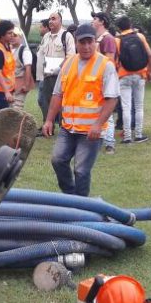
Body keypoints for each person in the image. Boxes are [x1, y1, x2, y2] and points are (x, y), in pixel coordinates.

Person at [42, 24, 119, 196]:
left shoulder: (105, 65)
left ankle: (82, 207)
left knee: (81, 171)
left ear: (95, 42)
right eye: (82, 42)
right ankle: (71, 197)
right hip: (68, 127)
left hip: (91, 131)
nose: (86, 46)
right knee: (57, 160)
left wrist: (98, 125)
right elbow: (57, 94)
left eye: (89, 42)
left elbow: (112, 99)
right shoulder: (68, 63)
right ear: (76, 43)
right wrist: (48, 120)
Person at [113, 15, 151, 143]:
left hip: (124, 76)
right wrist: (149, 72)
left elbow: (115, 61)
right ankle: (139, 135)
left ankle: (128, 136)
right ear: (130, 24)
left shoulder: (117, 41)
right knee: (139, 106)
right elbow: (150, 55)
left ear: (119, 28)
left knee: (126, 107)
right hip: (140, 74)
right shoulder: (140, 36)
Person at [36, 11, 76, 129]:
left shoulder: (66, 36)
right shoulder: (46, 36)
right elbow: (41, 54)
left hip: (61, 75)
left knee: (62, 102)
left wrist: (58, 69)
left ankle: (65, 127)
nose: (50, 21)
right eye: (49, 19)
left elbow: (71, 56)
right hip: (47, 75)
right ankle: (48, 126)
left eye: (54, 18)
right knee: (45, 101)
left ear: (60, 21)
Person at [91, 11, 119, 154]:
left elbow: (110, 61)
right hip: (96, 80)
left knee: (107, 110)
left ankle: (109, 143)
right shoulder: (99, 38)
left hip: (105, 80)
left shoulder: (107, 39)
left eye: (95, 19)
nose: (93, 21)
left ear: (102, 21)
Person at [11, 28, 35, 110]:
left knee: (17, 108)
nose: (12, 37)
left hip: (20, 84)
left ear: (20, 37)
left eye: (15, 35)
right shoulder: (8, 49)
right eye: (11, 35)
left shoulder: (25, 51)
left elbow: (28, 68)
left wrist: (26, 85)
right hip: (10, 84)